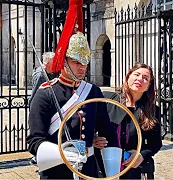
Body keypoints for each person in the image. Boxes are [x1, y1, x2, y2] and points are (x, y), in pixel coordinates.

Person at [26, 0, 118, 178]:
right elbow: (35, 141)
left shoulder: (93, 92)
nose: (82, 67)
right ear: (64, 61)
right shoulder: (45, 93)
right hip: (56, 171)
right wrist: (63, 154)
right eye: (76, 62)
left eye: (85, 62)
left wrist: (112, 170)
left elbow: (108, 132)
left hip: (88, 170)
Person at [100, 63, 163, 179]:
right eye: (137, 74)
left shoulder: (152, 110)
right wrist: (94, 140)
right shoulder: (107, 100)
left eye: (145, 78)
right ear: (128, 77)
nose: (140, 79)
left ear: (148, 86)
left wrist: (141, 156)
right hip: (105, 166)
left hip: (136, 169)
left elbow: (156, 143)